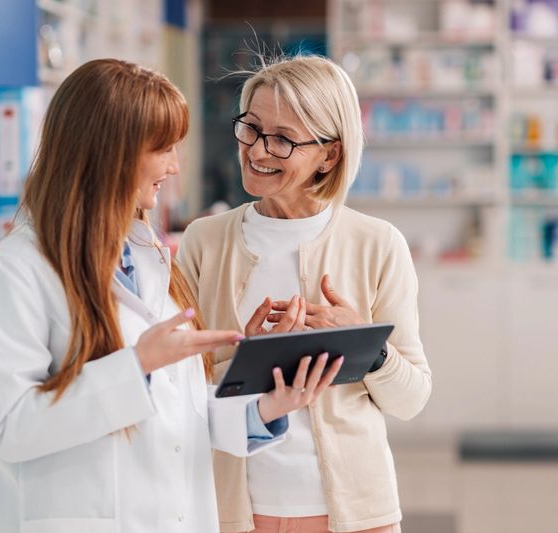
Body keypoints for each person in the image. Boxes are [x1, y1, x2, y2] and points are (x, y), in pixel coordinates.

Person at [0, 58, 342, 533]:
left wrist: (268, 405)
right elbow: (8, 429)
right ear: (108, 153)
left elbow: (179, 412)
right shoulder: (16, 270)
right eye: (162, 148)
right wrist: (137, 365)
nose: (175, 166)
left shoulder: (148, 259)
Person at [176, 54, 432, 533]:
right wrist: (243, 358)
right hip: (230, 513)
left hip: (356, 516)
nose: (257, 150)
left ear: (329, 154)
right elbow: (178, 392)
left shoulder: (377, 244)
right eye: (250, 128)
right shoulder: (204, 242)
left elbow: (411, 399)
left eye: (282, 139)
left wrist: (368, 347)